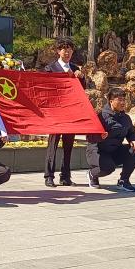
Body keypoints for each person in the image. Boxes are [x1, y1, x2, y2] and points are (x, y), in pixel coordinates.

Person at [43, 39, 86, 187]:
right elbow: (46, 88)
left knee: (68, 146)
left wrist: (81, 77)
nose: (67, 52)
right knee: (53, 145)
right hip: (56, 113)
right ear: (58, 51)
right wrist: (63, 77)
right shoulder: (50, 68)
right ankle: (49, 176)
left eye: (69, 49)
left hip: (71, 112)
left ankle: (65, 176)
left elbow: (82, 90)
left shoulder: (75, 68)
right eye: (64, 49)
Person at [86, 88, 135, 191]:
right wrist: (100, 137)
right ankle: (92, 174)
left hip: (114, 150)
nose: (123, 103)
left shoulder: (126, 118)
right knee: (108, 168)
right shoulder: (101, 117)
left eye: (124, 100)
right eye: (119, 100)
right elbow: (89, 137)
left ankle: (124, 181)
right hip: (97, 151)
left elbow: (131, 132)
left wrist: (133, 140)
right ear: (111, 101)